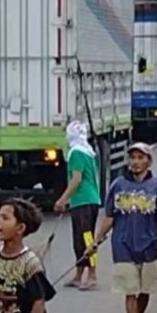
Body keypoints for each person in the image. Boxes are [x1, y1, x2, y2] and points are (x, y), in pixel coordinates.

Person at [87, 143, 157, 313]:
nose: (135, 162)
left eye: (140, 158)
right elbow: (109, 217)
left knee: (145, 290)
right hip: (122, 243)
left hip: (149, 243)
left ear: (148, 161)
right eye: (132, 158)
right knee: (129, 290)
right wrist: (96, 240)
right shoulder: (118, 185)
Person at [54, 120, 102, 290]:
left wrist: (63, 199)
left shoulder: (76, 153)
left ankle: (92, 274)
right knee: (79, 240)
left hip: (83, 200)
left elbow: (76, 179)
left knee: (86, 239)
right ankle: (79, 275)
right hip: (89, 200)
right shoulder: (87, 151)